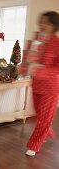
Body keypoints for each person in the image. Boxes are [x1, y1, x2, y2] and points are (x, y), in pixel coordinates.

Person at [20, 11, 59, 156]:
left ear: (54, 26)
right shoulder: (37, 39)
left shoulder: (57, 43)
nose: (43, 25)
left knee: (44, 118)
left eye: (47, 23)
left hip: (50, 87)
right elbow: (29, 59)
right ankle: (47, 134)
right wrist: (24, 67)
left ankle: (34, 145)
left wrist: (41, 71)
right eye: (42, 21)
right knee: (39, 115)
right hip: (36, 85)